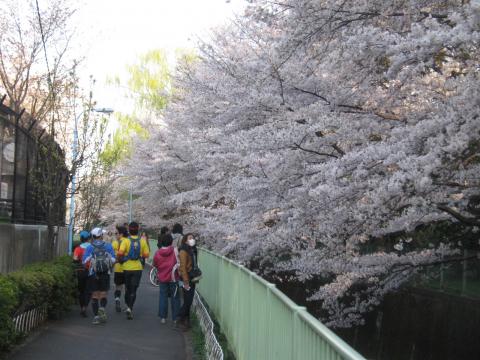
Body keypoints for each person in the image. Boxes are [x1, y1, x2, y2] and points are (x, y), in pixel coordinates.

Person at [82, 227, 116, 325]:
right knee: (103, 293)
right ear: (101, 235)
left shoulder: (89, 247)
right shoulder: (108, 246)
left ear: (92, 236)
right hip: (105, 273)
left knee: (95, 295)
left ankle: (96, 316)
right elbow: (113, 259)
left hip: (93, 274)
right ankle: (102, 308)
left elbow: (84, 262)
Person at [117, 221, 150, 320]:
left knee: (127, 288)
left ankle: (127, 305)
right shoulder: (142, 241)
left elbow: (120, 253)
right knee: (134, 289)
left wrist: (122, 256)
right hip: (137, 268)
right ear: (138, 229)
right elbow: (147, 255)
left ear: (129, 230)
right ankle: (130, 308)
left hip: (126, 267)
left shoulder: (126, 241)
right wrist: (139, 255)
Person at [153, 233, 180, 324]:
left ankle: (163, 318)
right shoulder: (175, 251)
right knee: (175, 297)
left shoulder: (157, 253)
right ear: (171, 241)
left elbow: (155, 264)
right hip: (173, 277)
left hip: (162, 278)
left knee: (163, 296)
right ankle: (175, 318)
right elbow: (178, 262)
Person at [177, 233, 198, 330]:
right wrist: (186, 281)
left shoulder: (193, 250)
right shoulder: (183, 251)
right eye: (190, 238)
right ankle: (180, 318)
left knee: (188, 300)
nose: (192, 240)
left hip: (192, 278)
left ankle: (186, 321)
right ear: (185, 240)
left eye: (193, 238)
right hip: (186, 279)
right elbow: (183, 267)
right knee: (188, 301)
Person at [73, 230, 91, 317]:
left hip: (81, 271)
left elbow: (75, 259)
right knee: (88, 291)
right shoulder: (92, 247)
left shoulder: (78, 248)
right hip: (91, 271)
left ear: (81, 238)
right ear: (89, 238)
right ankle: (85, 307)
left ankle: (82, 307)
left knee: (81, 291)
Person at [112, 225, 128, 312]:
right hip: (127, 268)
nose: (115, 235)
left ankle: (117, 300)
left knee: (118, 287)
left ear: (121, 234)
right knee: (127, 288)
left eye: (116, 233)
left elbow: (111, 254)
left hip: (118, 268)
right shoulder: (128, 241)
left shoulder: (115, 243)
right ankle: (126, 305)